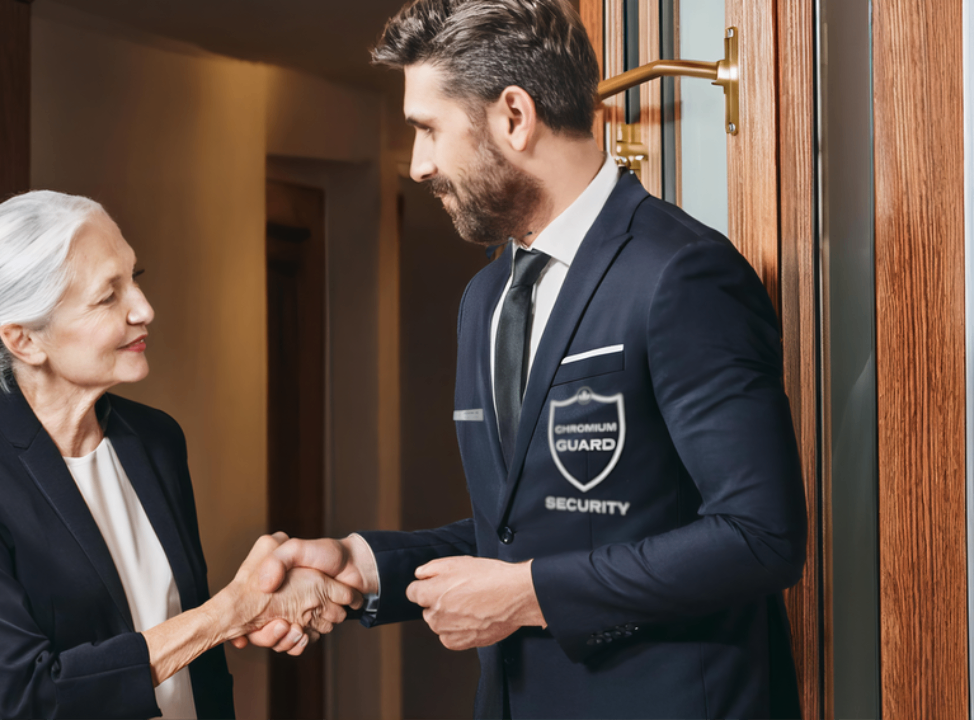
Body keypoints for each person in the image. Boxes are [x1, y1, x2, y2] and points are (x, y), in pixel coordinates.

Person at [248, 1, 807, 718]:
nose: (416, 165)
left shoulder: (682, 275)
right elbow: (528, 531)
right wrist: (363, 568)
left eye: (427, 129)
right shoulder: (485, 296)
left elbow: (760, 538)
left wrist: (530, 596)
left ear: (515, 115)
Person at [0, 191, 358, 719]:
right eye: (108, 296)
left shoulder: (156, 441)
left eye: (134, 278)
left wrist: (259, 605)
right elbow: (29, 695)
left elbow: (183, 646)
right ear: (24, 340)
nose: (144, 309)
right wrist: (231, 611)